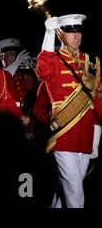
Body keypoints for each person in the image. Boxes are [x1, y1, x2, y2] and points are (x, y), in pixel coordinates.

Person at [36, 14, 102, 208]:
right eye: (70, 32)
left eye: (78, 31)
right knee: (75, 192)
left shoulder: (92, 62)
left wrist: (97, 135)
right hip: (64, 132)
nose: (76, 36)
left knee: (69, 186)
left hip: (86, 133)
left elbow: (97, 100)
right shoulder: (54, 60)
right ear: (60, 34)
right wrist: (48, 34)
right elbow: (43, 70)